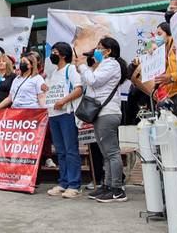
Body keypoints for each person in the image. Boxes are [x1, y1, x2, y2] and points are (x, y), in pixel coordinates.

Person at [76, 37, 128, 203]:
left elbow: (94, 81)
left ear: (108, 51)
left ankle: (117, 189)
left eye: (99, 48)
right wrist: (87, 68)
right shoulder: (103, 65)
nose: (96, 51)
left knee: (112, 152)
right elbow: (89, 83)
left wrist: (83, 66)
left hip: (108, 113)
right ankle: (108, 185)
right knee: (106, 153)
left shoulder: (111, 64)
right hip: (101, 113)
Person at [45, 42, 84, 199]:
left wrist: (63, 101)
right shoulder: (53, 73)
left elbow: (79, 89)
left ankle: (74, 185)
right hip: (53, 115)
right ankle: (63, 182)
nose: (52, 55)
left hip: (66, 114)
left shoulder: (71, 69)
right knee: (60, 151)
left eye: (55, 52)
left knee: (70, 150)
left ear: (63, 54)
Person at [28, 50, 56, 169]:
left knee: (46, 133)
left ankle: (47, 157)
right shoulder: (24, 73)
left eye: (33, 59)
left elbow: (50, 89)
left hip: (43, 108)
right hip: (28, 109)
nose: (30, 61)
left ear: (38, 61)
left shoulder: (46, 73)